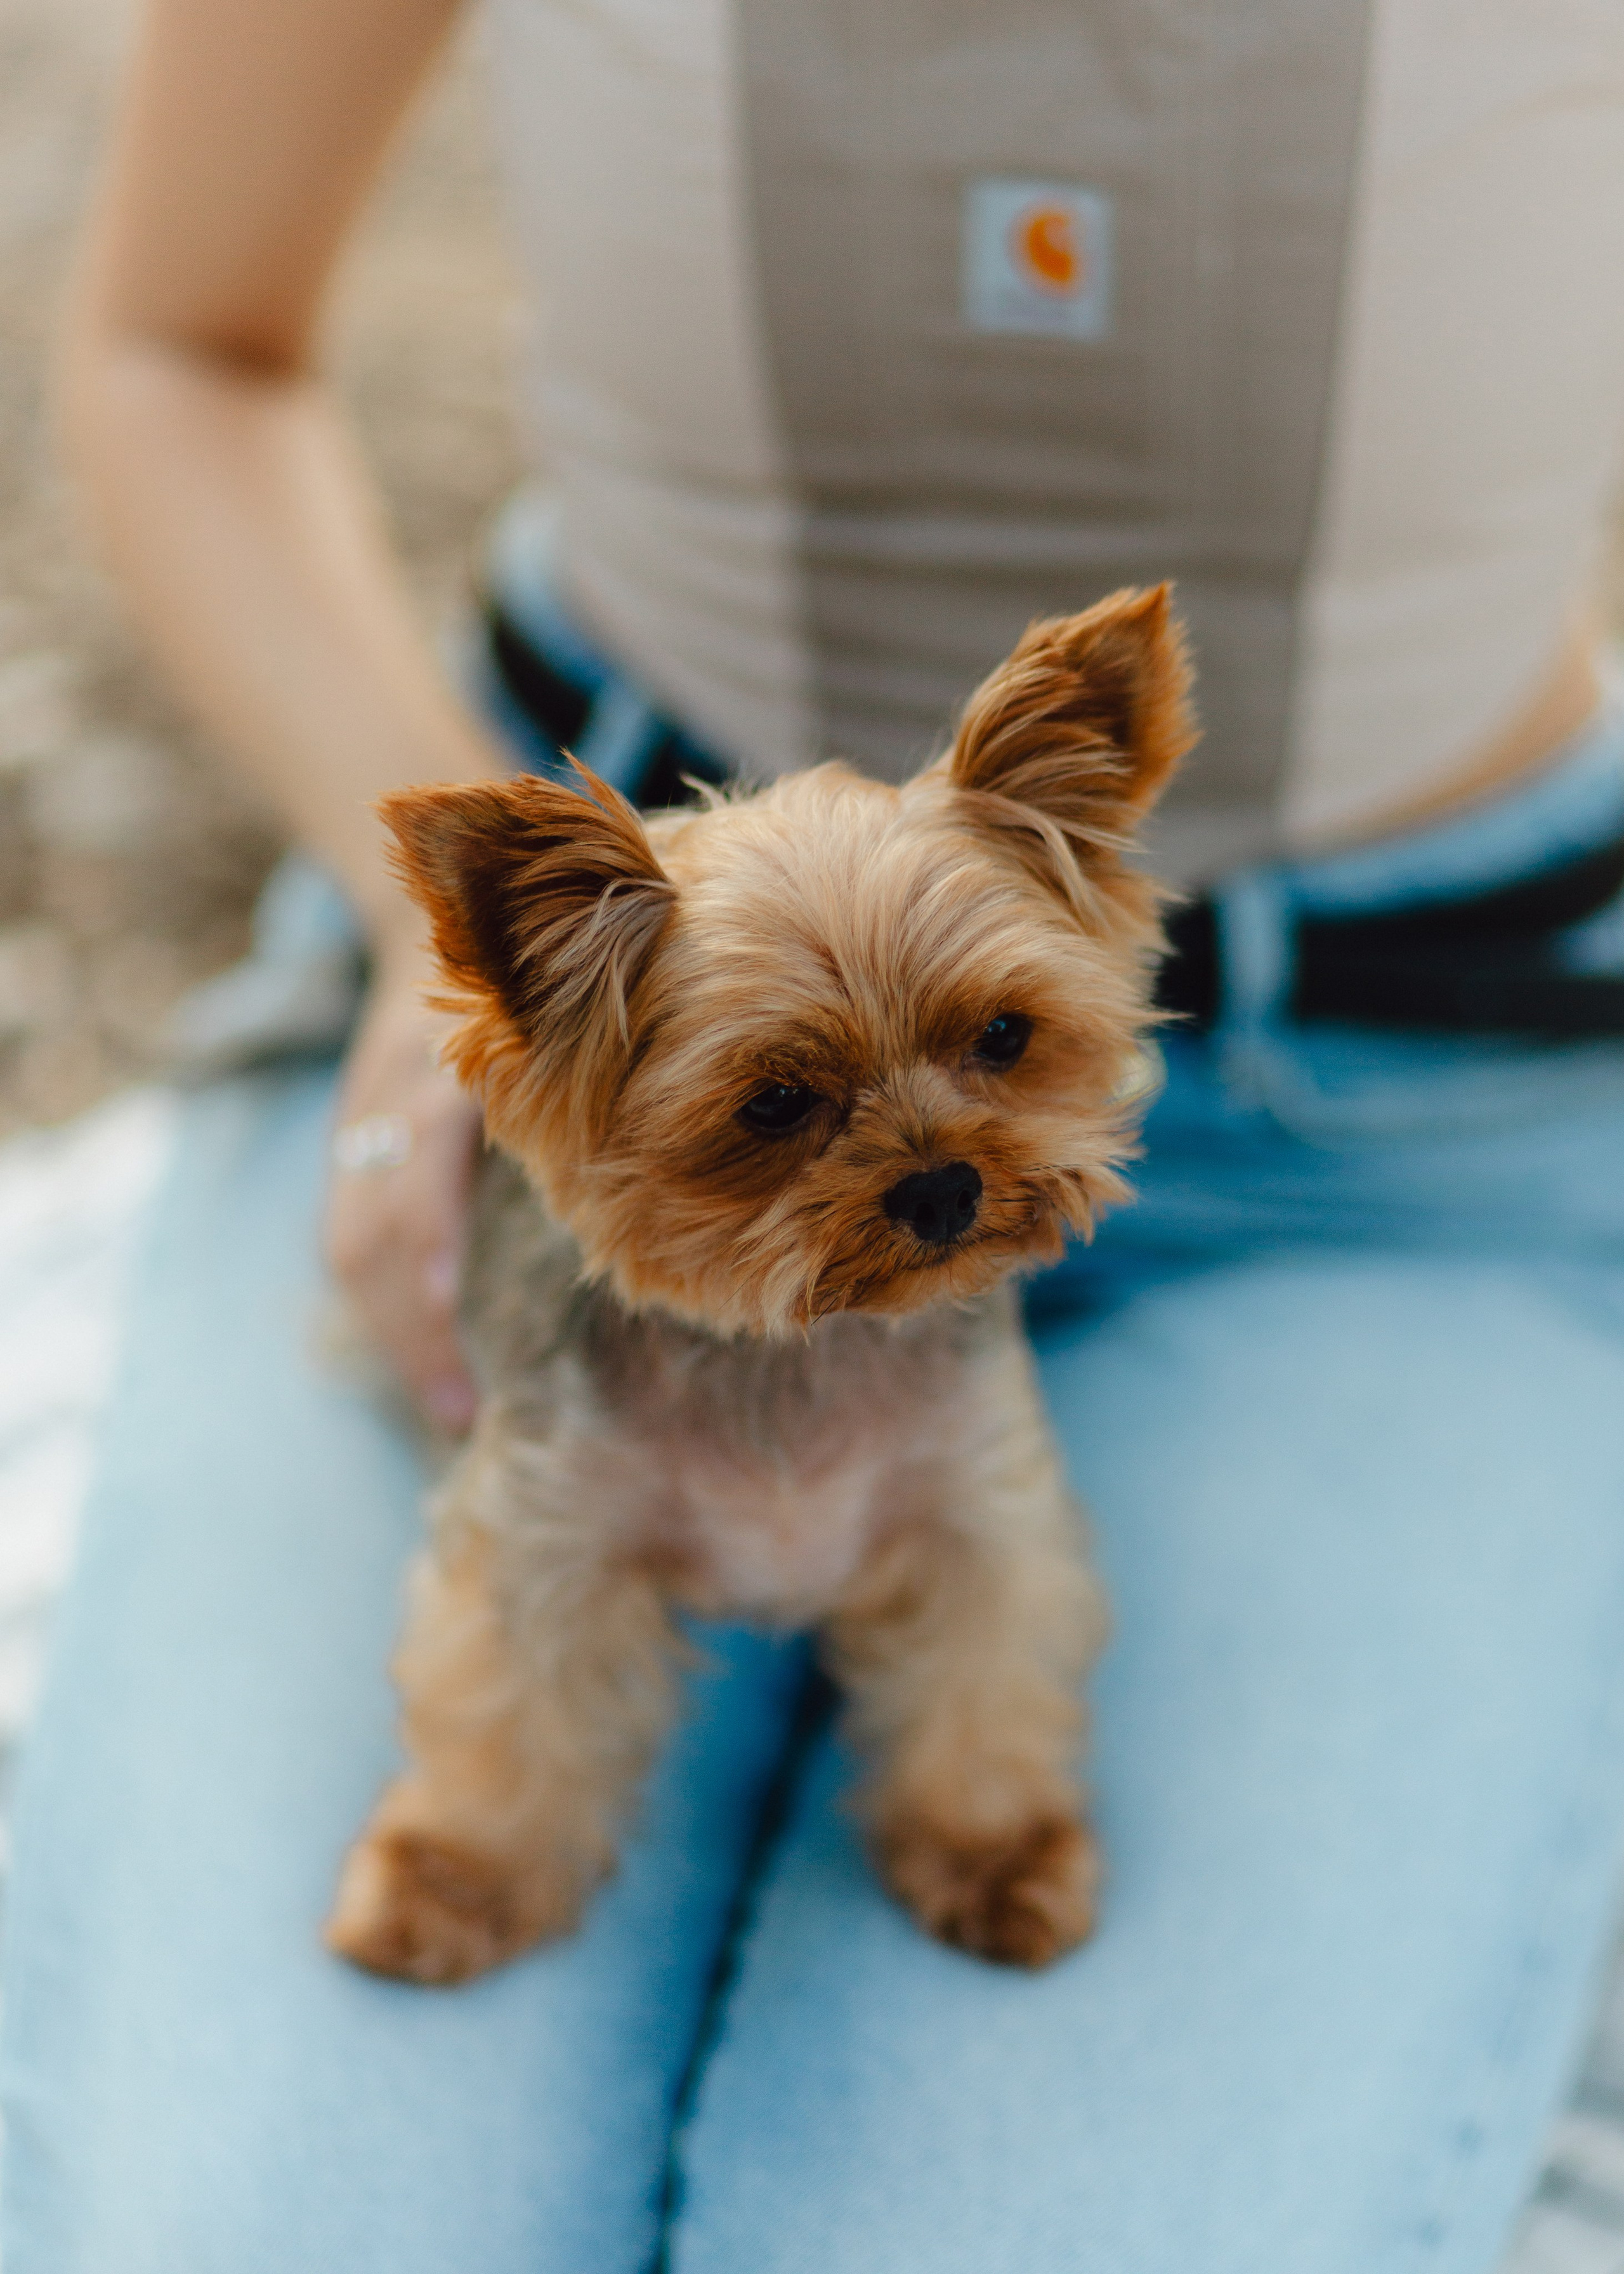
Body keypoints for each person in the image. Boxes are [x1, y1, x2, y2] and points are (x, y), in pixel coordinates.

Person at [6, 1, 1624, 2267]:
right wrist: (423, 954)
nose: (928, 1161)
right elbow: (184, 339)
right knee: (271, 2214)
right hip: (577, 970)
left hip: (1420, 1106)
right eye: (798, 1119)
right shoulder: (551, 985)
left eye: (975, 1074)